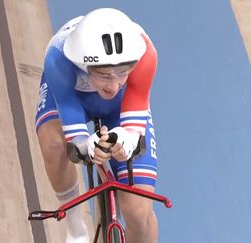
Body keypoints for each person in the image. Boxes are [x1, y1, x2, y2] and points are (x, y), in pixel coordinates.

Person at [36, 8, 159, 243]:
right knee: (54, 145)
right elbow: (76, 144)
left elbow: (134, 130)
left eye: (122, 72)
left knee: (139, 213)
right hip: (73, 98)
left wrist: (128, 140)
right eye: (103, 75)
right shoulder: (58, 59)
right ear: (84, 64)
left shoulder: (145, 54)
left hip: (121, 106)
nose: (113, 85)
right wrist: (86, 146)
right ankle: (76, 230)